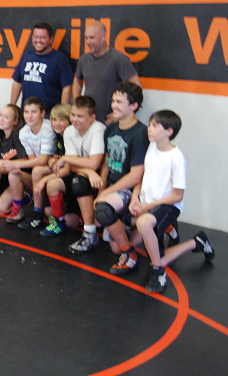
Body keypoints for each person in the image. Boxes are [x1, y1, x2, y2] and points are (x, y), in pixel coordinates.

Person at [128, 110, 214, 292]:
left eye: (154, 126)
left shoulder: (176, 157)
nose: (149, 129)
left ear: (169, 131)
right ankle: (196, 242)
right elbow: (143, 177)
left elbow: (178, 195)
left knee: (145, 226)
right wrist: (135, 197)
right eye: (149, 124)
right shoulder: (151, 148)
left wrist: (148, 207)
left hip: (167, 206)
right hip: (148, 205)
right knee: (134, 243)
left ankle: (158, 273)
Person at [94, 82, 149, 274]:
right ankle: (128, 228)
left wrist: (105, 195)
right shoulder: (111, 129)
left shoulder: (140, 133)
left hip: (129, 189)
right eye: (113, 101)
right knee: (112, 243)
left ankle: (130, 254)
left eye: (119, 102)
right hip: (114, 187)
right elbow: (108, 162)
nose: (113, 105)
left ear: (133, 106)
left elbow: (136, 176)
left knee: (102, 210)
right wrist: (102, 189)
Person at [42, 96, 105, 252]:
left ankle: (90, 233)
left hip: (99, 180)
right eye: (73, 115)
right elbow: (72, 165)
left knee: (79, 181)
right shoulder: (69, 131)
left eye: (80, 116)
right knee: (53, 184)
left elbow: (95, 163)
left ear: (92, 117)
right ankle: (58, 223)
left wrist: (67, 159)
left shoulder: (98, 129)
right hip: (84, 174)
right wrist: (88, 171)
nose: (75, 119)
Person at [73, 21, 141, 124]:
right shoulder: (83, 59)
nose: (88, 41)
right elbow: (77, 80)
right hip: (89, 120)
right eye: (86, 37)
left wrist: (119, 114)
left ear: (103, 37)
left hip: (110, 121)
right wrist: (77, 105)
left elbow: (136, 89)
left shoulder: (119, 59)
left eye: (92, 38)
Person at [1, 96, 56, 223]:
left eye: (34, 112)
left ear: (42, 113)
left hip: (54, 168)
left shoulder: (48, 129)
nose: (29, 116)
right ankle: (18, 209)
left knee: (36, 170)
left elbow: (42, 160)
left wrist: (14, 163)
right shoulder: (23, 133)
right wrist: (13, 166)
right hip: (40, 168)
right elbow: (33, 160)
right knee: (13, 174)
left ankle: (37, 213)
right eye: (26, 112)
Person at [17, 103, 71, 231]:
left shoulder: (69, 135)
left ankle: (58, 222)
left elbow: (69, 167)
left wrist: (45, 179)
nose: (57, 123)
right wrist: (53, 160)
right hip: (61, 171)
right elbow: (53, 157)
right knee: (37, 171)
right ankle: (38, 213)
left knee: (71, 221)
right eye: (54, 120)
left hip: (72, 176)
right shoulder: (58, 136)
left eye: (62, 120)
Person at [11, 22, 73, 115]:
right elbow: (17, 82)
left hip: (49, 116)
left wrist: (62, 113)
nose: (38, 40)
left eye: (43, 37)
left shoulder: (60, 59)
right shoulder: (27, 55)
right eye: (35, 37)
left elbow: (67, 87)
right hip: (27, 114)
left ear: (51, 39)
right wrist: (12, 107)